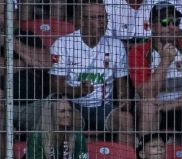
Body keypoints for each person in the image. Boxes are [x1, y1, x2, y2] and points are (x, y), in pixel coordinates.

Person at [49, 1, 133, 142]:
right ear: (82, 20)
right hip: (74, 106)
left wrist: (124, 98)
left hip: (104, 107)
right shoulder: (62, 44)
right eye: (95, 18)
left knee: (126, 120)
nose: (101, 22)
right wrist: (78, 90)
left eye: (103, 17)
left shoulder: (116, 45)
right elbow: (55, 85)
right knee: (64, 117)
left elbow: (122, 82)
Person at [127, 2, 182, 136]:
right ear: (152, 26)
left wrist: (166, 106)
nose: (171, 27)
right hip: (149, 109)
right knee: (148, 106)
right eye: (165, 22)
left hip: (179, 107)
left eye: (176, 22)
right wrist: (165, 62)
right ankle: (145, 150)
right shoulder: (139, 51)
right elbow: (146, 94)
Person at [23, 96, 89, 159]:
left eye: (69, 111)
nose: (68, 115)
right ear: (51, 114)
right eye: (62, 111)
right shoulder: (37, 136)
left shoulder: (77, 135)